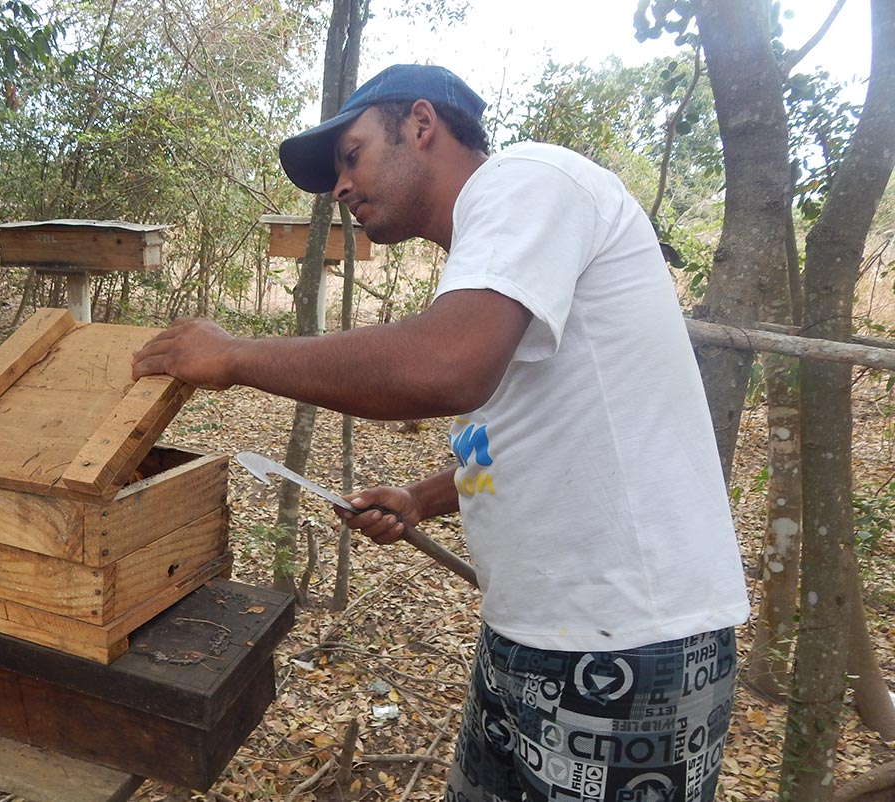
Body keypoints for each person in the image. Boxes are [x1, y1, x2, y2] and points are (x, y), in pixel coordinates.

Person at [132, 63, 749, 802]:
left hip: (626, 644)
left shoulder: (530, 180)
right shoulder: (484, 258)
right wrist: (425, 496)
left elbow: (450, 366)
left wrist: (234, 356)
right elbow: (535, 424)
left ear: (421, 124)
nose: (341, 186)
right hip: (526, 637)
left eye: (351, 155)